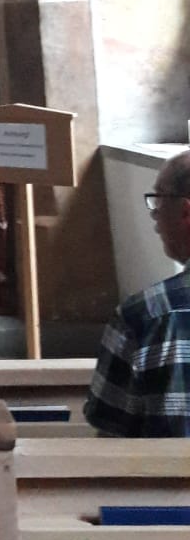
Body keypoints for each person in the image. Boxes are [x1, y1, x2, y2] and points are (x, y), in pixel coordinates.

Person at [84, 150, 190, 437]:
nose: (154, 217)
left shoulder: (142, 316)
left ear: (185, 212)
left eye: (159, 201)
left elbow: (110, 429)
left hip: (165, 469)